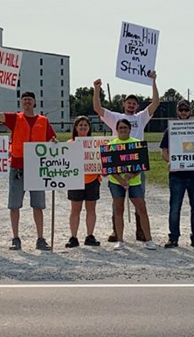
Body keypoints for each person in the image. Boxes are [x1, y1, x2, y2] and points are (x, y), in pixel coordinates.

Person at [0, 81, 57, 251]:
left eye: (29, 100)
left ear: (34, 102)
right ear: (21, 102)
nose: (27, 102)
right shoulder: (15, 118)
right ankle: (15, 238)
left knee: (38, 205)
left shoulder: (44, 120)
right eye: (24, 99)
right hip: (17, 166)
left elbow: (52, 139)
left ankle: (40, 238)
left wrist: (55, 143)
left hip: (37, 168)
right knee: (14, 205)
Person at [93, 71, 159, 242]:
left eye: (134, 103)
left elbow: (156, 103)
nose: (131, 105)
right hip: (118, 163)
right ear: (124, 104)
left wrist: (153, 81)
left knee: (139, 200)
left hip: (136, 165)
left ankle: (141, 232)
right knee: (118, 202)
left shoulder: (141, 117)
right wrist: (96, 89)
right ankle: (116, 231)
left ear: (137, 106)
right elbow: (98, 109)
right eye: (128, 102)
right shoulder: (116, 117)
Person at [160, 99, 194, 248]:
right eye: (181, 110)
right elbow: (164, 151)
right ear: (177, 111)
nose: (183, 113)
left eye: (186, 110)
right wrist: (169, 162)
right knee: (175, 207)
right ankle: (173, 237)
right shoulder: (170, 129)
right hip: (177, 175)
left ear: (190, 111)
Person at [108, 119, 157, 251]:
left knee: (142, 209)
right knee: (118, 210)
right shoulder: (111, 145)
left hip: (134, 183)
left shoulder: (136, 144)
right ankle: (119, 240)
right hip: (116, 183)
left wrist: (132, 175)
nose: (123, 130)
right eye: (121, 128)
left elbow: (141, 165)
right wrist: (120, 180)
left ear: (129, 129)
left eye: (125, 127)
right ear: (117, 130)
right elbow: (109, 167)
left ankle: (148, 239)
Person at [65, 116, 101, 248]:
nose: (83, 127)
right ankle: (73, 237)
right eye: (80, 125)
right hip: (75, 180)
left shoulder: (95, 143)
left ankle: (90, 236)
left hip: (92, 179)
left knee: (91, 210)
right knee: (75, 210)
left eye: (85, 125)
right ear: (75, 127)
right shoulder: (69, 143)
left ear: (89, 128)